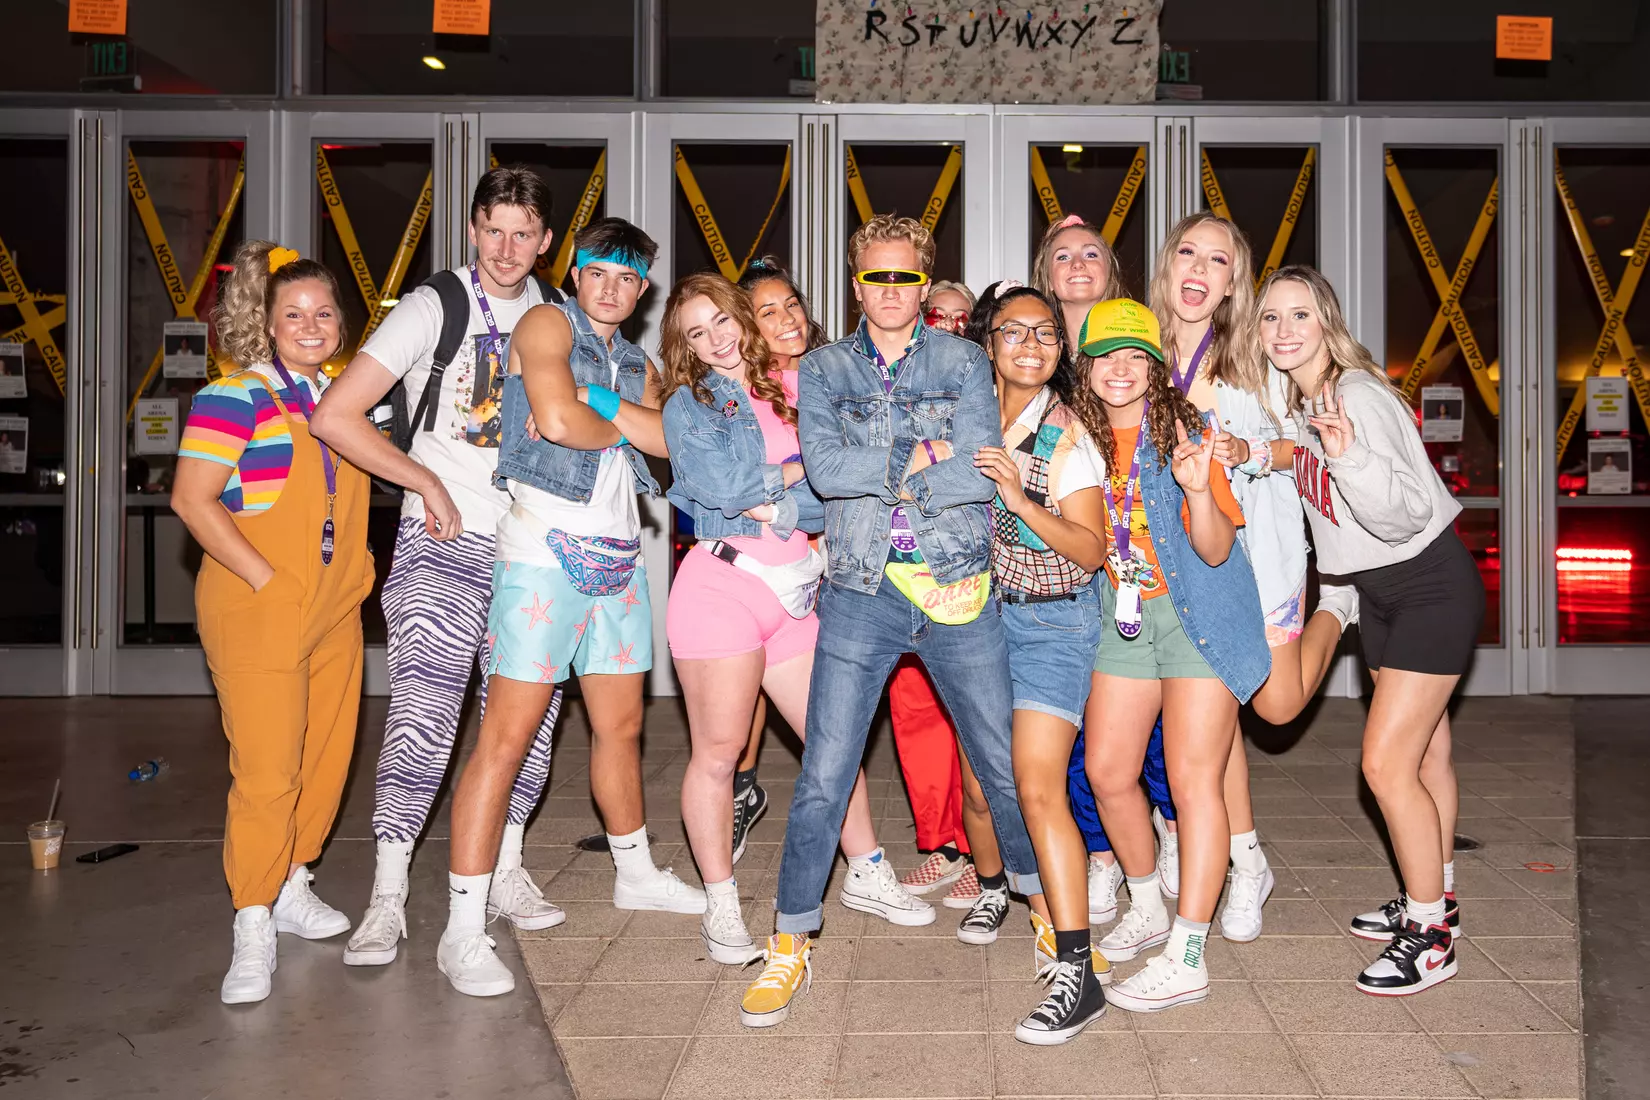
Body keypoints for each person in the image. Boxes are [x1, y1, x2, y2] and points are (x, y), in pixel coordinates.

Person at [739, 214, 1043, 1028]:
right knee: (824, 778)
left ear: (923, 277)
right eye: (875, 276)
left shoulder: (965, 359)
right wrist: (921, 455)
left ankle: (1047, 910)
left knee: (1003, 768)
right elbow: (829, 475)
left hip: (956, 585)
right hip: (861, 590)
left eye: (906, 276)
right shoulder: (828, 367)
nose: (890, 291)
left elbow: (981, 476)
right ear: (854, 281)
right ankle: (791, 940)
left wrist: (901, 469)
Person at [310, 166, 568, 968]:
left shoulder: (553, 315)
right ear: (471, 228)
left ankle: (507, 871)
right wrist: (421, 481)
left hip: (529, 546)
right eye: (494, 229)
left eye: (523, 233)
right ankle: (388, 894)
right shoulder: (436, 306)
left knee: (527, 717)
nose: (507, 248)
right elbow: (335, 414)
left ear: (546, 240)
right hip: (443, 536)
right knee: (423, 714)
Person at [437, 216, 687, 997]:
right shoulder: (546, 320)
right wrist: (607, 413)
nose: (611, 288)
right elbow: (553, 419)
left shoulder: (637, 359)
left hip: (618, 559)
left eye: (628, 279)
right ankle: (462, 927)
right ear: (575, 270)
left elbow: (669, 443)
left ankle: (635, 872)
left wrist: (597, 399)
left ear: (642, 289)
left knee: (622, 727)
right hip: (542, 558)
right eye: (599, 272)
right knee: (504, 739)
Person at [662, 272, 933, 963]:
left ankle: (867, 872)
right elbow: (720, 492)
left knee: (834, 740)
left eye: (722, 321)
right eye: (698, 333)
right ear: (685, 346)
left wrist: (790, 487)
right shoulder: (688, 407)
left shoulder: (789, 391)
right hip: (721, 587)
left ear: (740, 319)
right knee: (719, 754)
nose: (716, 339)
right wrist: (803, 467)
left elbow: (830, 499)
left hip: (795, 593)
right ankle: (720, 904)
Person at [1262, 265, 1480, 996]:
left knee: (1385, 765)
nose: (1284, 332)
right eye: (1270, 319)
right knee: (1425, 758)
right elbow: (1322, 498)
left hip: (1429, 586)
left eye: (1299, 315)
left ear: (1327, 321)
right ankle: (1435, 895)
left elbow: (1404, 517)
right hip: (1380, 595)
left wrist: (1347, 452)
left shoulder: (1358, 397)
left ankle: (1430, 936)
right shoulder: (1304, 408)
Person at [172, 241, 375, 1004]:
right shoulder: (236, 395)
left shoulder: (342, 399)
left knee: (326, 759)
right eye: (293, 314)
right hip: (259, 606)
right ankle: (251, 917)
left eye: (324, 312)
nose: (311, 324)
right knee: (266, 771)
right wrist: (263, 577)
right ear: (267, 322)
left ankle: (293, 882)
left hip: (334, 607)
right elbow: (192, 499)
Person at [1146, 212, 1355, 942]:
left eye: (1219, 260)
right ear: (1168, 265)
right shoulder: (1137, 353)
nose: (1200, 270)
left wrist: (1252, 451)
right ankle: (1245, 855)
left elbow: (1306, 452)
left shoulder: (1256, 360)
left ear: (1234, 282)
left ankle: (1338, 612)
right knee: (1216, 719)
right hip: (1174, 570)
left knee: (1273, 707)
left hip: (1257, 559)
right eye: (1189, 253)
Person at [1074, 297, 1270, 1013]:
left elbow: (1216, 551)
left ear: (1156, 368)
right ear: (1086, 367)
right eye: (1106, 357)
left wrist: (1199, 492)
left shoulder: (1187, 431)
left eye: (1136, 357)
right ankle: (1146, 899)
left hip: (1197, 618)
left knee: (1193, 783)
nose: (1120, 371)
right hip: (1122, 619)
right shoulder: (1076, 440)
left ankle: (1188, 953)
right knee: (1108, 771)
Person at [965, 280, 1113, 1043]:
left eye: (1046, 334)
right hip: (980, 621)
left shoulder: (1067, 439)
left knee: (1036, 783)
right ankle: (997, 888)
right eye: (1015, 331)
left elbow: (1090, 551)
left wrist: (1025, 502)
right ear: (989, 342)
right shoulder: (970, 415)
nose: (1031, 344)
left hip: (1054, 625)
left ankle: (1077, 970)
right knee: (983, 788)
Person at [1032, 212, 1171, 928]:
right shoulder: (1040, 357)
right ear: (1045, 273)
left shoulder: (1143, 347)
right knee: (1091, 736)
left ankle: (1171, 836)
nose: (1078, 263)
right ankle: (1104, 859)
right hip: (1074, 575)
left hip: (1153, 579)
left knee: (1160, 733)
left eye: (1091, 251)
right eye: (1062, 255)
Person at [724, 259, 832, 862]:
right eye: (768, 311)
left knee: (819, 701)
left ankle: (852, 842)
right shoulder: (742, 387)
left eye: (791, 303)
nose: (788, 318)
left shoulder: (828, 373)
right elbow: (738, 485)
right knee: (749, 679)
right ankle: (741, 786)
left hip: (829, 557)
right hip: (765, 559)